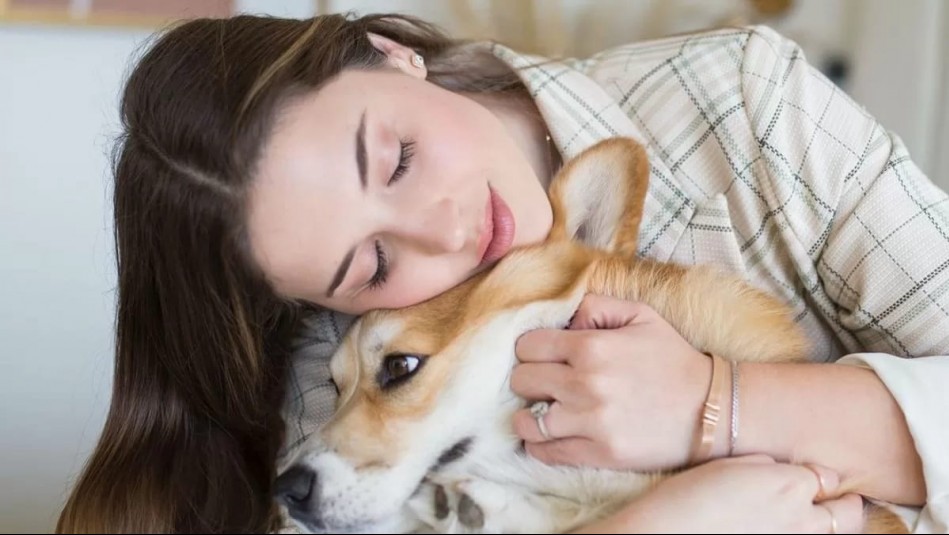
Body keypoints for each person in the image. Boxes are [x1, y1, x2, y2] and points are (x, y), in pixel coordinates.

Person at [56, 11, 948, 535]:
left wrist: (718, 408)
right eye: (371, 263)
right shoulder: (329, 382)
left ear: (390, 53)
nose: (445, 228)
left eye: (397, 157)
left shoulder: (745, 106)